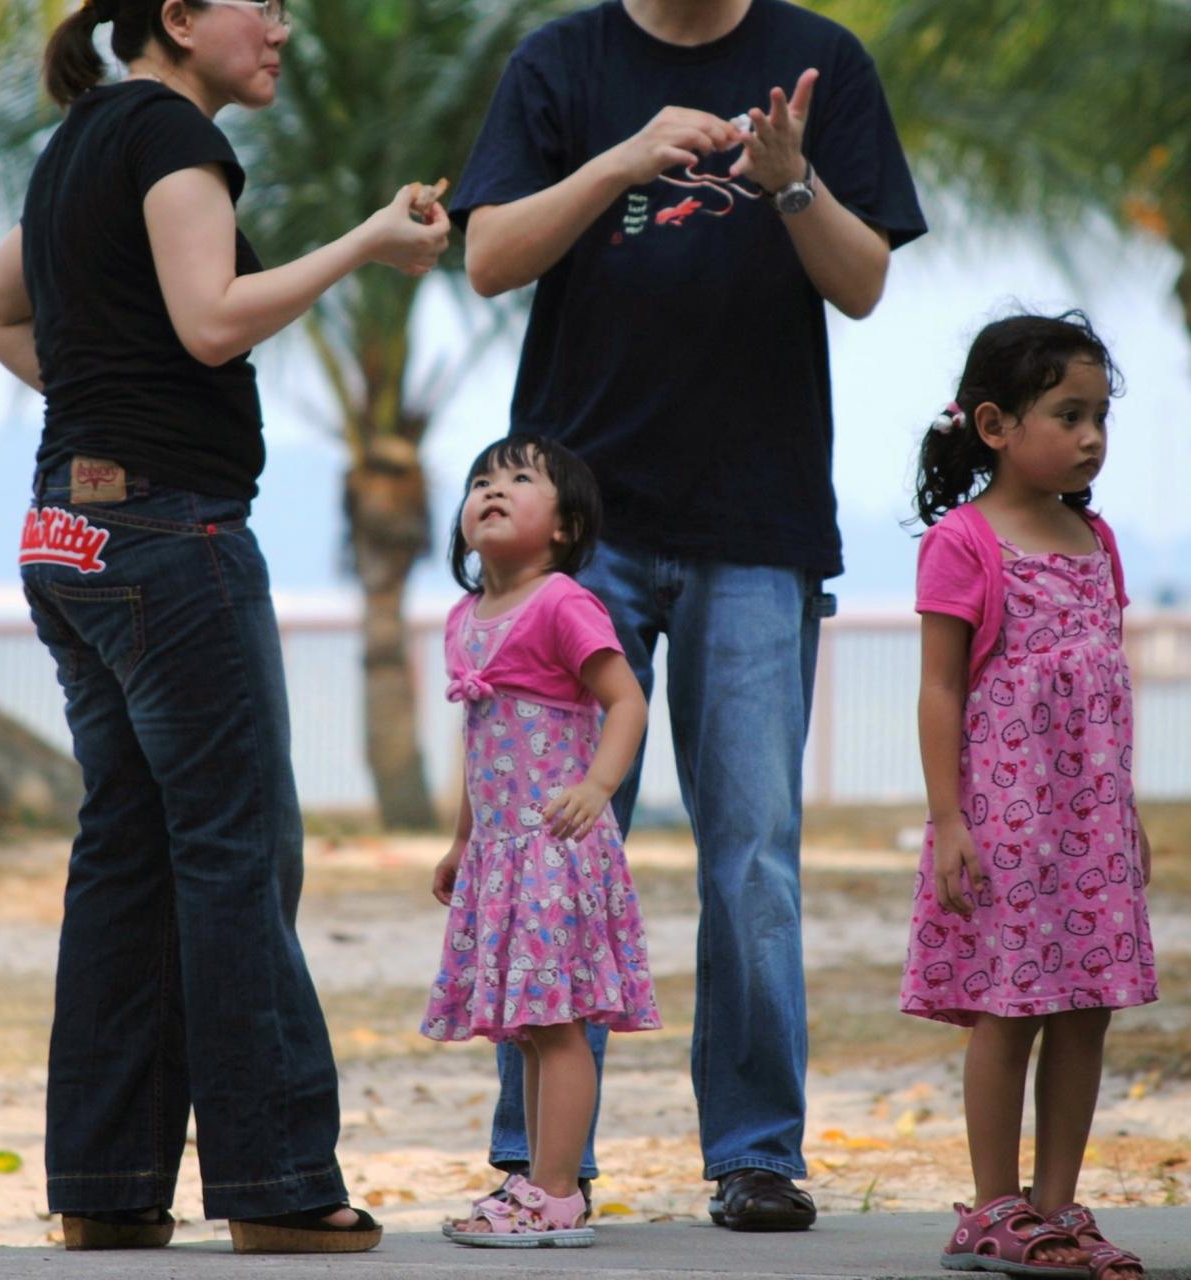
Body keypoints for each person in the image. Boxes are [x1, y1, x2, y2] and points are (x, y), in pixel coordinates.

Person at [447, 0, 926, 1232]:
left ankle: (756, 1153)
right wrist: (619, 159)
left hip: (756, 520)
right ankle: (539, 1165)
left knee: (753, 857)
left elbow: (863, 284)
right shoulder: (560, 62)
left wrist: (791, 182)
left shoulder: (821, 60)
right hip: (576, 535)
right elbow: (488, 256)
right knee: (543, 847)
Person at [0, 0, 449, 1254]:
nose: (285, 28)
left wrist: (104, 387)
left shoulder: (79, 141)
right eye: (264, 3)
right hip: (169, 538)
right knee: (236, 851)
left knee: (127, 858)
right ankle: (278, 1183)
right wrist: (365, 241)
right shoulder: (171, 136)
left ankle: (106, 1184)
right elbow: (210, 320)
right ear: (182, 17)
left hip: (69, 533)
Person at [902, 312, 1154, 1280]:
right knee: (1007, 1009)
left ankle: (1056, 1205)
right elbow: (940, 689)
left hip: (1089, 825)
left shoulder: (1097, 540)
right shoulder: (962, 542)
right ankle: (992, 1206)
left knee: (1086, 1008)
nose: (1091, 436)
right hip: (1005, 822)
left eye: (1099, 417)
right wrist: (948, 818)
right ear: (996, 425)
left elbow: (1106, 690)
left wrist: (1126, 812)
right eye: (1068, 414)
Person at [422, 434, 660, 1248]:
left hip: (554, 854)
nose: (493, 490)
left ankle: (557, 1194)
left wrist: (598, 787)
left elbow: (626, 700)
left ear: (565, 527)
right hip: (503, 855)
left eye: (520, 479)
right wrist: (464, 841)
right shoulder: (463, 619)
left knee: (557, 1027)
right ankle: (537, 1181)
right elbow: (478, 745)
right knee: (530, 1028)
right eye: (480, 481)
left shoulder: (563, 602)